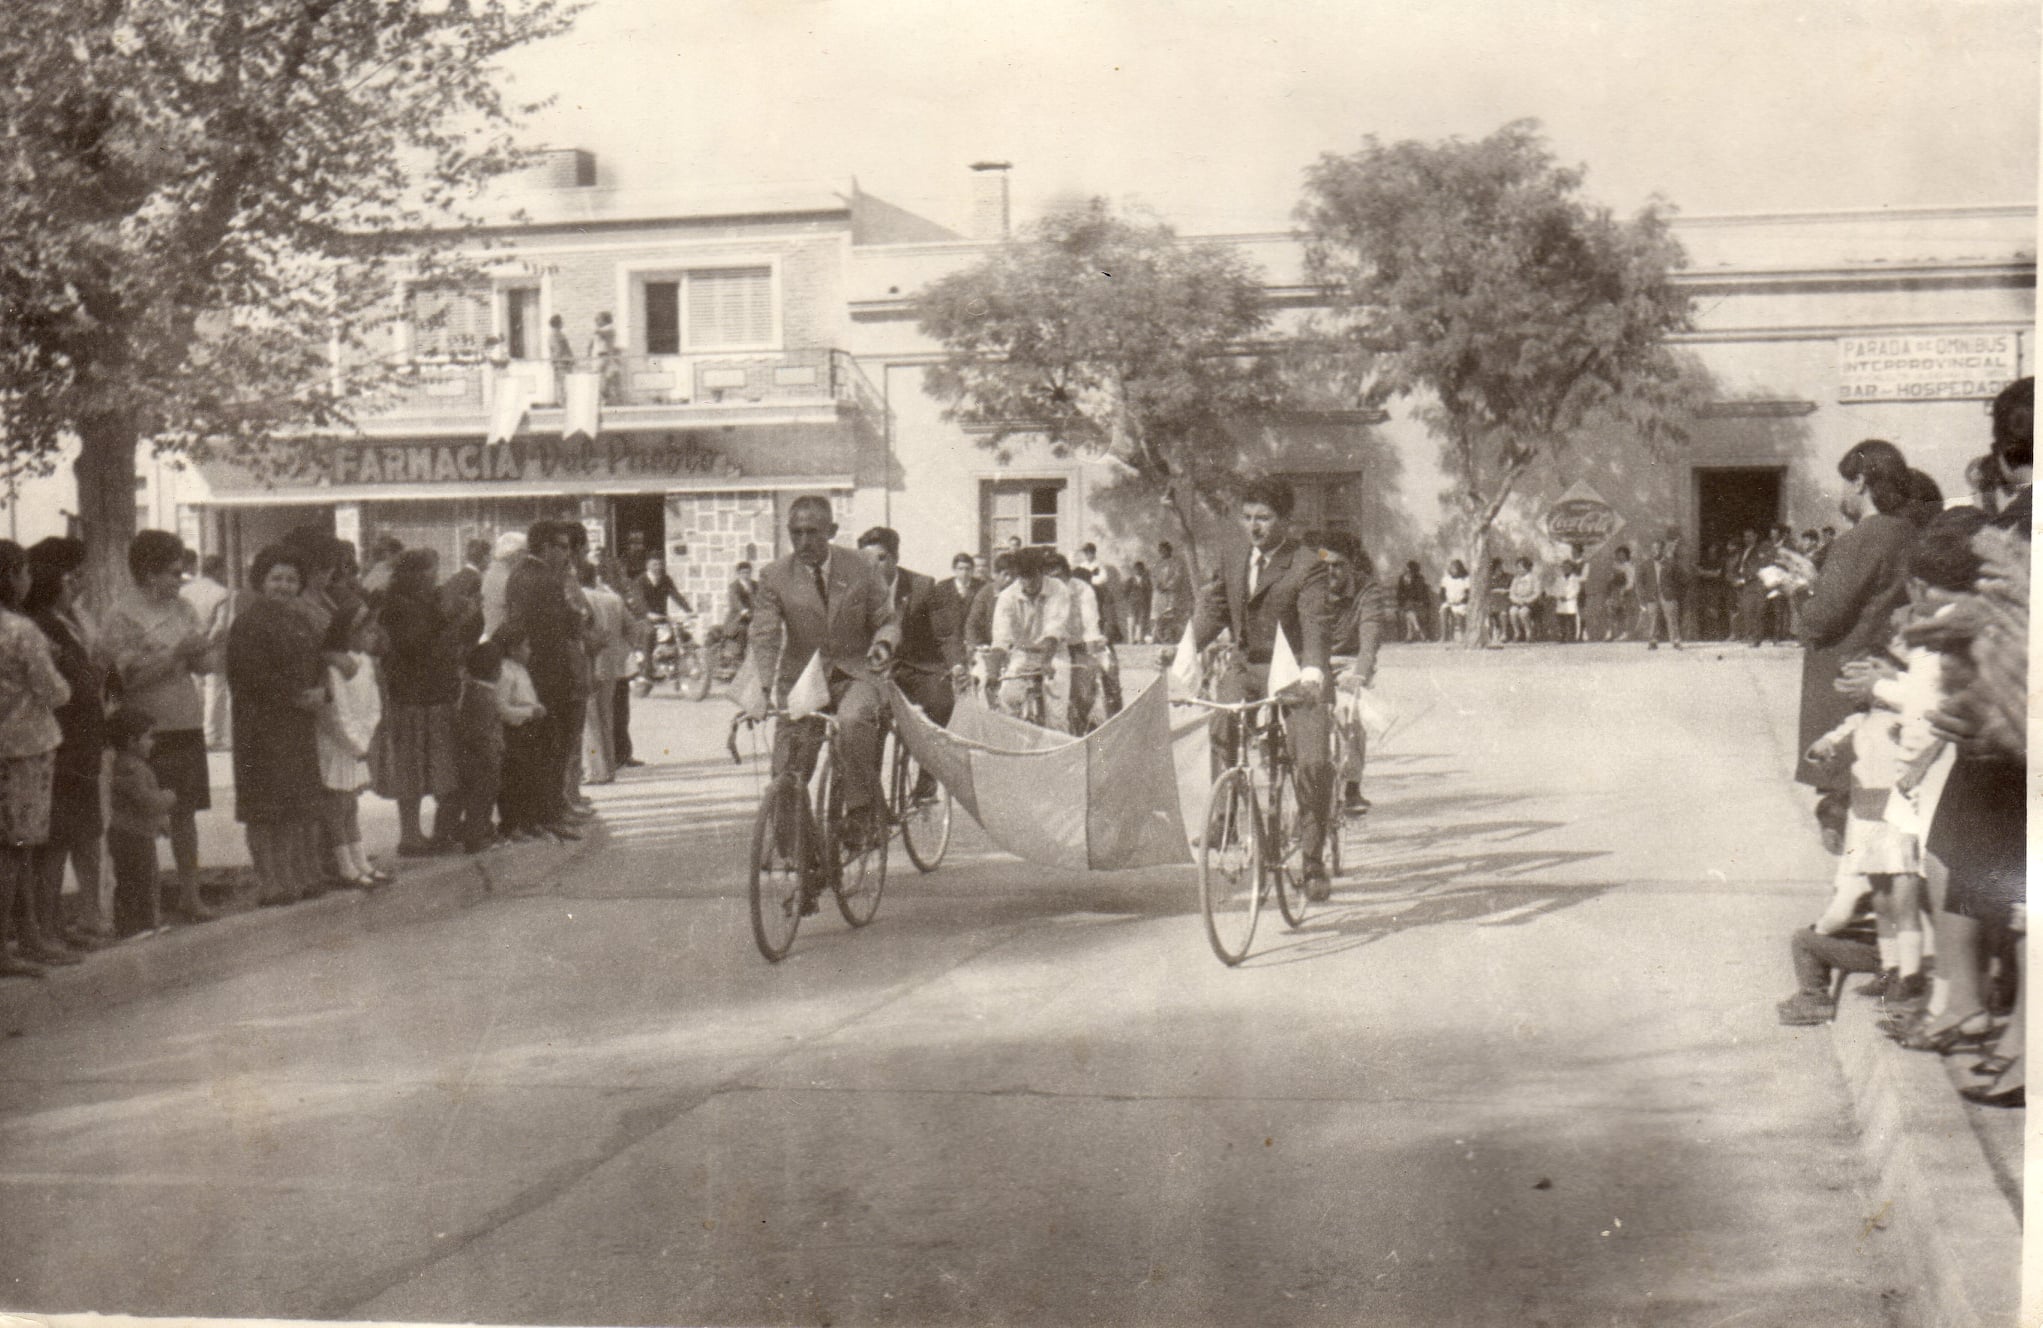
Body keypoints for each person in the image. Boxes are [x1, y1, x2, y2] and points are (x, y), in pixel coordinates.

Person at [1191, 478, 1335, 899]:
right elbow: (1216, 609)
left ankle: (1312, 860)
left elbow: (1315, 623)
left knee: (1311, 761)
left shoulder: (1308, 564)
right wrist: (1183, 647)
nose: (1253, 526)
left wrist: (1313, 674)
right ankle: (1225, 818)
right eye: (1247, 517)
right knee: (1221, 724)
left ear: (1285, 521)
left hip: (1295, 672)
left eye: (1264, 518)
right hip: (1247, 667)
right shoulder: (1235, 556)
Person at [745, 495, 900, 855]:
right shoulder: (774, 576)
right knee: (787, 774)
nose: (803, 542)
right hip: (803, 680)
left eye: (813, 532)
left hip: (855, 672)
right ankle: (806, 864)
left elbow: (887, 619)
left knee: (853, 720)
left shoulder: (861, 566)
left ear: (831, 531)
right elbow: (765, 635)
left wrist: (883, 644)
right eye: (795, 533)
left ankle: (860, 812)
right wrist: (761, 688)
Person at [1797, 438, 1917, 853]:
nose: (1843, 494)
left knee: (1847, 792)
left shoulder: (1856, 540)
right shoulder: (1908, 533)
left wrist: (1804, 591)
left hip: (1844, 677)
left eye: (1846, 483)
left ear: (1861, 481)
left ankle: (1851, 879)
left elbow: (1821, 618)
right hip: (1890, 671)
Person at [102, 531, 216, 924]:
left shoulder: (184, 608)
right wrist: (174, 655)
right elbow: (124, 681)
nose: (179, 581)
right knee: (142, 815)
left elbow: (203, 665)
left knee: (186, 812)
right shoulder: (122, 616)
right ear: (149, 572)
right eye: (173, 573)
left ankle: (191, 895)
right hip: (144, 729)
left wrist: (204, 653)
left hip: (185, 719)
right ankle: (141, 903)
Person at [227, 545, 326, 908]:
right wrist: (296, 697)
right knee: (264, 809)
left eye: (291, 579)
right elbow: (251, 677)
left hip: (296, 726)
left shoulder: (300, 621)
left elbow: (316, 665)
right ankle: (269, 881)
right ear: (261, 581)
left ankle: (292, 875)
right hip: (260, 727)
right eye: (276, 579)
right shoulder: (248, 623)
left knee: (294, 807)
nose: (284, 586)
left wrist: (321, 692)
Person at [26, 538, 110, 948]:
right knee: (57, 841)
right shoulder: (43, 626)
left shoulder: (66, 620)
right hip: (66, 743)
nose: (76, 583)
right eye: (69, 576)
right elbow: (67, 686)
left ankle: (73, 922)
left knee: (78, 835)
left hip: (81, 742)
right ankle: (48, 926)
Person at [0, 540, 71, 975]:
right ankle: (19, 941)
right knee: (18, 848)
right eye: (23, 572)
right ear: (12, 576)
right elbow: (54, 691)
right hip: (25, 748)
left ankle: (23, 938)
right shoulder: (20, 630)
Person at [373, 549, 462, 856]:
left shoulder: (423, 602)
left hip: (432, 693)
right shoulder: (399, 606)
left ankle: (429, 832)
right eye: (428, 570)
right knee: (411, 767)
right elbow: (416, 646)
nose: (433, 576)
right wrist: (450, 620)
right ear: (410, 574)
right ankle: (410, 835)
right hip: (412, 696)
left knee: (432, 766)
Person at [501, 521, 583, 843]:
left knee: (536, 748)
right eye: (561, 547)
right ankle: (548, 815)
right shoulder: (546, 579)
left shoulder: (519, 574)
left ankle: (538, 815)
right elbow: (563, 628)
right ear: (545, 547)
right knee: (549, 747)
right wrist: (576, 617)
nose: (566, 554)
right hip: (548, 673)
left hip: (530, 670)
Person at [317, 602, 386, 889]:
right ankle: (345, 866)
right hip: (337, 744)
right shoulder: (334, 668)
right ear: (348, 632)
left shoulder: (366, 663)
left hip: (358, 743)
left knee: (351, 805)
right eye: (366, 631)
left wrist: (365, 738)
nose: (373, 636)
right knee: (338, 806)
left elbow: (373, 706)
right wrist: (354, 742)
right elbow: (337, 711)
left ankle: (361, 861)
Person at [1320, 532, 1390, 814]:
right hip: (1314, 660)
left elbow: (1370, 636)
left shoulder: (1367, 590)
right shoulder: (1310, 586)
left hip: (1350, 660)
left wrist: (1360, 674)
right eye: (1324, 565)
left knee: (1350, 711)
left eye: (1338, 565)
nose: (1330, 572)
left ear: (1351, 564)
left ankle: (1351, 787)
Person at [103, 709, 174, 945]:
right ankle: (134, 923)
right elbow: (146, 801)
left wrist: (160, 819)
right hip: (131, 833)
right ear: (131, 741)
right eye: (148, 737)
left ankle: (145, 920)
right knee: (137, 878)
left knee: (140, 877)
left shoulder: (129, 765)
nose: (152, 742)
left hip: (133, 831)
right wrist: (167, 798)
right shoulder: (132, 768)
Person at [990, 547, 1072, 720]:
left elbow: (1054, 628)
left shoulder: (1058, 589)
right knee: (1006, 701)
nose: (1027, 582)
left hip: (1054, 654)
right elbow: (1001, 637)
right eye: (1022, 577)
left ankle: (1058, 733)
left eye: (1032, 576)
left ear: (1042, 572)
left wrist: (1046, 661)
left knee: (1056, 713)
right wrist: (993, 672)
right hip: (1022, 654)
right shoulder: (1007, 597)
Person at [444, 639, 508, 854]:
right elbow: (482, 732)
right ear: (495, 670)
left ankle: (472, 832)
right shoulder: (483, 695)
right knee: (481, 799)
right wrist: (493, 753)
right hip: (482, 758)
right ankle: (476, 838)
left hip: (473, 755)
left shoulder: (472, 690)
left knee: (471, 797)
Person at [492, 633, 550, 842]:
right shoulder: (505, 673)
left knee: (529, 777)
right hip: (513, 730)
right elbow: (501, 709)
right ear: (512, 649)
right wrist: (529, 712)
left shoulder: (520, 669)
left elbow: (526, 697)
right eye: (525, 646)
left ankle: (528, 821)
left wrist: (535, 708)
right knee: (513, 779)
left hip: (528, 728)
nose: (529, 650)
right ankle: (511, 824)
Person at [580, 561, 630, 785]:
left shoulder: (579, 598)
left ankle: (595, 770)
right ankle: (610, 767)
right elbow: (632, 628)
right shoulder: (613, 599)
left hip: (588, 661)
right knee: (606, 716)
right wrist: (621, 652)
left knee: (589, 720)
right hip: (610, 664)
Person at [181, 552, 234, 750]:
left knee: (195, 689)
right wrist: (207, 643)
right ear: (218, 570)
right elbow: (220, 626)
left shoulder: (184, 590)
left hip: (188, 645)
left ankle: (193, 732)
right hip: (213, 648)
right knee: (215, 690)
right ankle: (211, 736)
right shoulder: (222, 593)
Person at [928, 552, 984, 692]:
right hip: (950, 640)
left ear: (972, 570)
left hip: (975, 640)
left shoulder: (981, 587)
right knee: (955, 675)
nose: (964, 573)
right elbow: (937, 620)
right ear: (954, 570)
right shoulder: (942, 588)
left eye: (968, 569)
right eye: (960, 569)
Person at [965, 552, 1015, 702]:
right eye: (1006, 575)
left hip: (1015, 649)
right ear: (995, 575)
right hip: (989, 649)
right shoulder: (985, 593)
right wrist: (977, 645)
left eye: (1014, 575)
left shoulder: (1018, 594)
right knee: (982, 679)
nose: (1010, 580)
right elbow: (972, 624)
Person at [1638, 537, 1685, 650]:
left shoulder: (1671, 563)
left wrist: (1675, 592)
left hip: (1668, 595)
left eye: (1658, 548)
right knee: (1653, 618)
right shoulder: (1645, 564)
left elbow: (1682, 578)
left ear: (1663, 550)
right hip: (1652, 595)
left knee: (1671, 618)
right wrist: (1643, 596)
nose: (1655, 551)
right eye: (1653, 549)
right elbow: (1639, 582)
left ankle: (1675, 641)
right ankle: (1653, 641)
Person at [480, 531, 526, 640]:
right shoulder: (505, 578)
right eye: (525, 553)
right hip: (502, 639)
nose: (526, 559)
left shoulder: (492, 573)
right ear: (515, 554)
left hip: (492, 635)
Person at [1150, 540, 1190, 645]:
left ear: (1169, 550)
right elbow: (1153, 576)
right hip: (1159, 594)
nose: (1162, 552)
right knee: (1157, 615)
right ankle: (1156, 637)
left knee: (1169, 614)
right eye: (1160, 550)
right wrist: (1157, 585)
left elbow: (1178, 576)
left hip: (1171, 593)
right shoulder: (1157, 564)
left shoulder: (1176, 563)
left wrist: (1167, 586)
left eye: (1165, 550)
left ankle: (1169, 637)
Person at [590, 311, 624, 404]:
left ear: (605, 320)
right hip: (600, 356)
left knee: (602, 378)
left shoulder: (609, 328)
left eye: (599, 319)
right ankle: (607, 399)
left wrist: (595, 326)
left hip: (604, 356)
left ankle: (607, 399)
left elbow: (597, 332)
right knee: (606, 378)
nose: (597, 321)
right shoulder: (604, 329)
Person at [1395, 560, 1430, 642]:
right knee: (1409, 609)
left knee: (1410, 612)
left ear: (1413, 571)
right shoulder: (1402, 578)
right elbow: (1399, 593)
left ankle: (1409, 636)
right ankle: (1418, 629)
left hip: (1417, 603)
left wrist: (1410, 583)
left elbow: (1419, 593)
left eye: (1409, 571)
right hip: (1405, 604)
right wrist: (1403, 601)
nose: (1407, 572)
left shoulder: (1419, 578)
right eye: (1406, 570)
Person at [1506, 557, 1538, 642]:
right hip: (1518, 602)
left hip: (1531, 603)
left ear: (1527, 567)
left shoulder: (1534, 578)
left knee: (1523, 612)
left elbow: (1536, 593)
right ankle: (1517, 633)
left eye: (1521, 567)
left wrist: (1526, 601)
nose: (1519, 569)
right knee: (1512, 611)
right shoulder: (1516, 579)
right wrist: (1517, 600)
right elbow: (1511, 593)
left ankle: (1529, 633)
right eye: (1518, 567)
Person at [1439, 560, 1471, 642]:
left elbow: (1468, 594)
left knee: (1459, 613)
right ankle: (1444, 636)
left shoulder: (1465, 579)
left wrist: (1460, 601)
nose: (1453, 570)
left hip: (1461, 603)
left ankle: (1463, 636)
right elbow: (1442, 593)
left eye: (1455, 568)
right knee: (1443, 611)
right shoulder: (1446, 579)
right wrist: (1447, 601)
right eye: (1452, 568)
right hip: (1449, 602)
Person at [1123, 560, 1154, 644]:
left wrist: (1147, 603)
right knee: (1131, 621)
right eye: (1136, 569)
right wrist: (1129, 601)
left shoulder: (1146, 580)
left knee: (1141, 621)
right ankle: (1131, 640)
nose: (1138, 571)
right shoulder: (1130, 580)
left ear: (1143, 570)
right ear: (1134, 570)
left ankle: (1140, 639)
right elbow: (1125, 592)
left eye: (1140, 569)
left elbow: (1149, 592)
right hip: (1132, 604)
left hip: (1143, 604)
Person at [1555, 560, 1585, 642]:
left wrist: (1568, 597)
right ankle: (1562, 636)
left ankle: (1572, 636)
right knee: (1561, 618)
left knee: (1571, 618)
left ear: (1572, 568)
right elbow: (1556, 589)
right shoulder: (1559, 579)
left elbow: (1576, 590)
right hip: (1561, 601)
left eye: (1568, 567)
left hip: (1571, 601)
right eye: (1564, 567)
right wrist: (1559, 596)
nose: (1565, 569)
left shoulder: (1575, 579)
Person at [547, 313, 575, 397]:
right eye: (561, 321)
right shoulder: (556, 335)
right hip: (562, 364)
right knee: (563, 385)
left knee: (564, 384)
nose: (563, 323)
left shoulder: (558, 334)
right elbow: (557, 350)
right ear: (558, 323)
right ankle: (563, 401)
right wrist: (556, 362)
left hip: (564, 363)